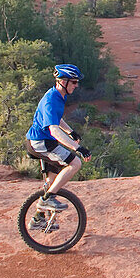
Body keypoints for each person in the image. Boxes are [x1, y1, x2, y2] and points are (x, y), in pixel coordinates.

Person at [26, 64, 92, 214]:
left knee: (52, 181)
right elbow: (54, 129)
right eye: (74, 82)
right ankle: (47, 199)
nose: (76, 85)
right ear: (63, 81)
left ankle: (38, 218)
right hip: (41, 143)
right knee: (75, 163)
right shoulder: (51, 100)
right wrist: (78, 148)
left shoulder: (58, 95)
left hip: (45, 141)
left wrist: (70, 132)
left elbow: (56, 119)